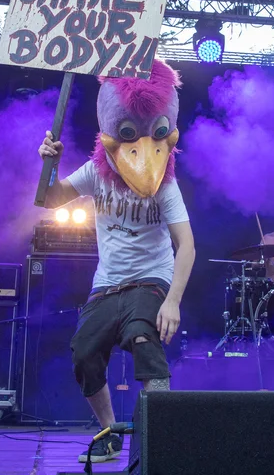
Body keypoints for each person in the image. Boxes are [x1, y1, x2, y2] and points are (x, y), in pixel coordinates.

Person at [38, 60, 195, 464]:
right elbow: (50, 200)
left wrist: (172, 301)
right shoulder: (96, 172)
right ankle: (109, 434)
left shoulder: (165, 185)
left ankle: (162, 438)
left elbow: (187, 246)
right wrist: (49, 163)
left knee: (144, 340)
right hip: (108, 283)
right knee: (84, 354)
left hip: (150, 280)